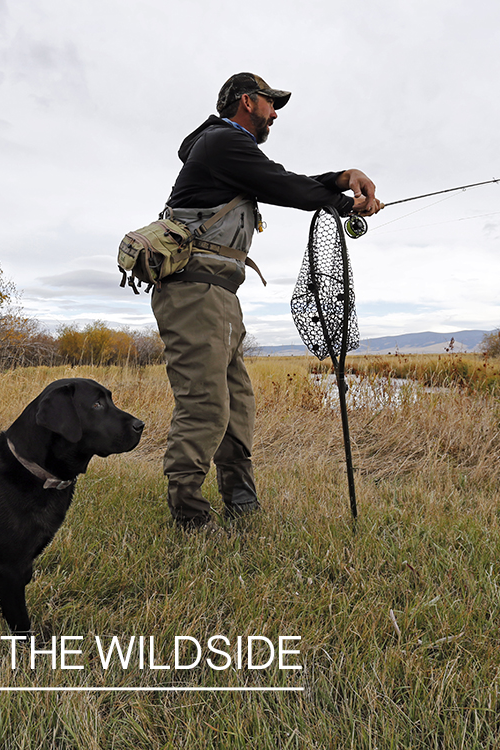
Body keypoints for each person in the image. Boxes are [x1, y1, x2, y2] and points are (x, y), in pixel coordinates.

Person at [152, 72, 382, 530]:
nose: (275, 113)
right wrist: (344, 199)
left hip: (217, 294)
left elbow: (279, 180)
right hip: (195, 292)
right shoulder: (221, 143)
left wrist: (343, 178)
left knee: (237, 402)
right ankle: (189, 515)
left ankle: (241, 502)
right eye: (269, 103)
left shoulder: (227, 151)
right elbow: (286, 186)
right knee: (206, 403)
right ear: (246, 101)